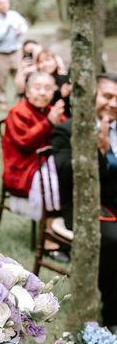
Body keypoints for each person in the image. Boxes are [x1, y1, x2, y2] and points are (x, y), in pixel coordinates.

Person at [52, 73, 117, 329]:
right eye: (108, 96)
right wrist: (97, 152)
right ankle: (113, 317)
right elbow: (65, 175)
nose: (113, 103)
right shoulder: (67, 130)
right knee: (113, 240)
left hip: (114, 203)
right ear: (93, 97)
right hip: (83, 208)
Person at [2, 72, 66, 220]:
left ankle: (59, 223)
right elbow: (24, 142)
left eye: (47, 88)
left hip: (45, 162)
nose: (42, 93)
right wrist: (48, 123)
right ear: (28, 91)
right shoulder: (17, 112)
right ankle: (49, 227)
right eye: (37, 88)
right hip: (23, 167)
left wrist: (58, 123)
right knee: (53, 182)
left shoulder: (51, 111)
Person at [0, 0, 28, 110]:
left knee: (20, 76)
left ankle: (22, 99)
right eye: (1, 4)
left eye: (5, 3)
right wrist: (6, 29)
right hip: (1, 54)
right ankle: (2, 101)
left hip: (16, 52)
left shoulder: (15, 15)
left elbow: (24, 26)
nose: (3, 6)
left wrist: (20, 31)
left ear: (9, 4)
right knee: (1, 79)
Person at [35, 50, 72, 118]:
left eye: (48, 60)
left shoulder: (65, 78)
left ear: (55, 61)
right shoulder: (35, 82)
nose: (45, 64)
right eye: (40, 62)